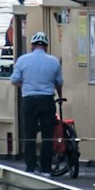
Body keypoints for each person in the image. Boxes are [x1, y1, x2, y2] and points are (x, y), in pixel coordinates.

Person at [9, 32, 64, 172]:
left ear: (32, 46)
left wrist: (26, 85)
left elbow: (14, 80)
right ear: (46, 46)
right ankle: (46, 170)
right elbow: (59, 83)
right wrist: (60, 97)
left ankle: (31, 168)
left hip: (30, 101)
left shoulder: (22, 60)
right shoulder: (54, 61)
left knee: (30, 136)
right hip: (47, 101)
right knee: (47, 136)